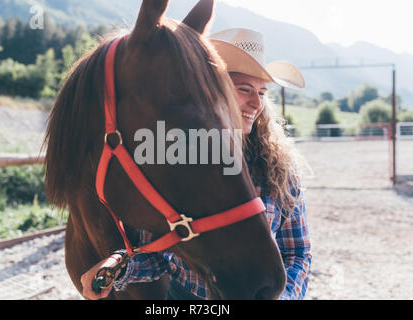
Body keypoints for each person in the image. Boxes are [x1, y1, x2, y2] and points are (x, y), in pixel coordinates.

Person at [81, 28, 312, 300]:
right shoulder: (179, 161)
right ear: (214, 92)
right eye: (244, 89)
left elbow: (298, 253)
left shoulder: (278, 166)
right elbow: (160, 255)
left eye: (262, 92)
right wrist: (118, 267)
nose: (256, 103)